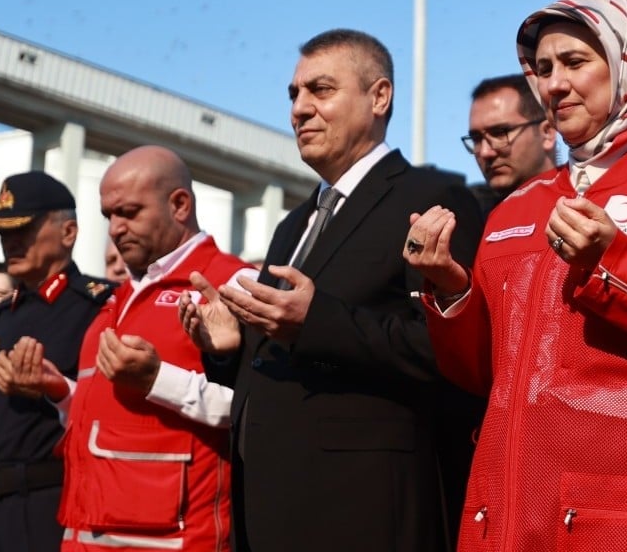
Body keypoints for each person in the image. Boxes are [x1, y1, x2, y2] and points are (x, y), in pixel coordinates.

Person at [405, 0, 627, 550]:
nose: (553, 83)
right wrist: (452, 290)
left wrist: (610, 264)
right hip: (508, 515)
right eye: (542, 67)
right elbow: (486, 376)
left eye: (576, 62)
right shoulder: (515, 207)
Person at [179, 28, 483, 551]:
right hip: (271, 508)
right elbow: (284, 357)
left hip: (362, 511)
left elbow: (448, 351)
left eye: (320, 90)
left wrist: (316, 321)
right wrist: (230, 351)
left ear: (379, 96)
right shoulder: (293, 225)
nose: (299, 109)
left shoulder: (433, 197)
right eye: (294, 94)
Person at [0, 146, 254, 551]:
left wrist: (157, 380)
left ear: (180, 205)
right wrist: (60, 392)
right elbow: (107, 419)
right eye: (108, 216)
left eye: (128, 212)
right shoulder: (118, 298)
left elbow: (260, 413)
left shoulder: (232, 283)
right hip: (87, 533)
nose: (115, 228)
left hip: (174, 540)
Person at [0, 172, 112, 552]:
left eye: (24, 229)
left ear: (69, 232)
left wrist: (52, 388)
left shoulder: (99, 306)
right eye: (3, 232)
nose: (10, 241)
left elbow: (113, 410)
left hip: (40, 510)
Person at [464, 74, 557, 214]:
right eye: (476, 139)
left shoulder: (587, 208)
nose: (485, 152)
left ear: (547, 133)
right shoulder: (469, 218)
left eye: (500, 133)